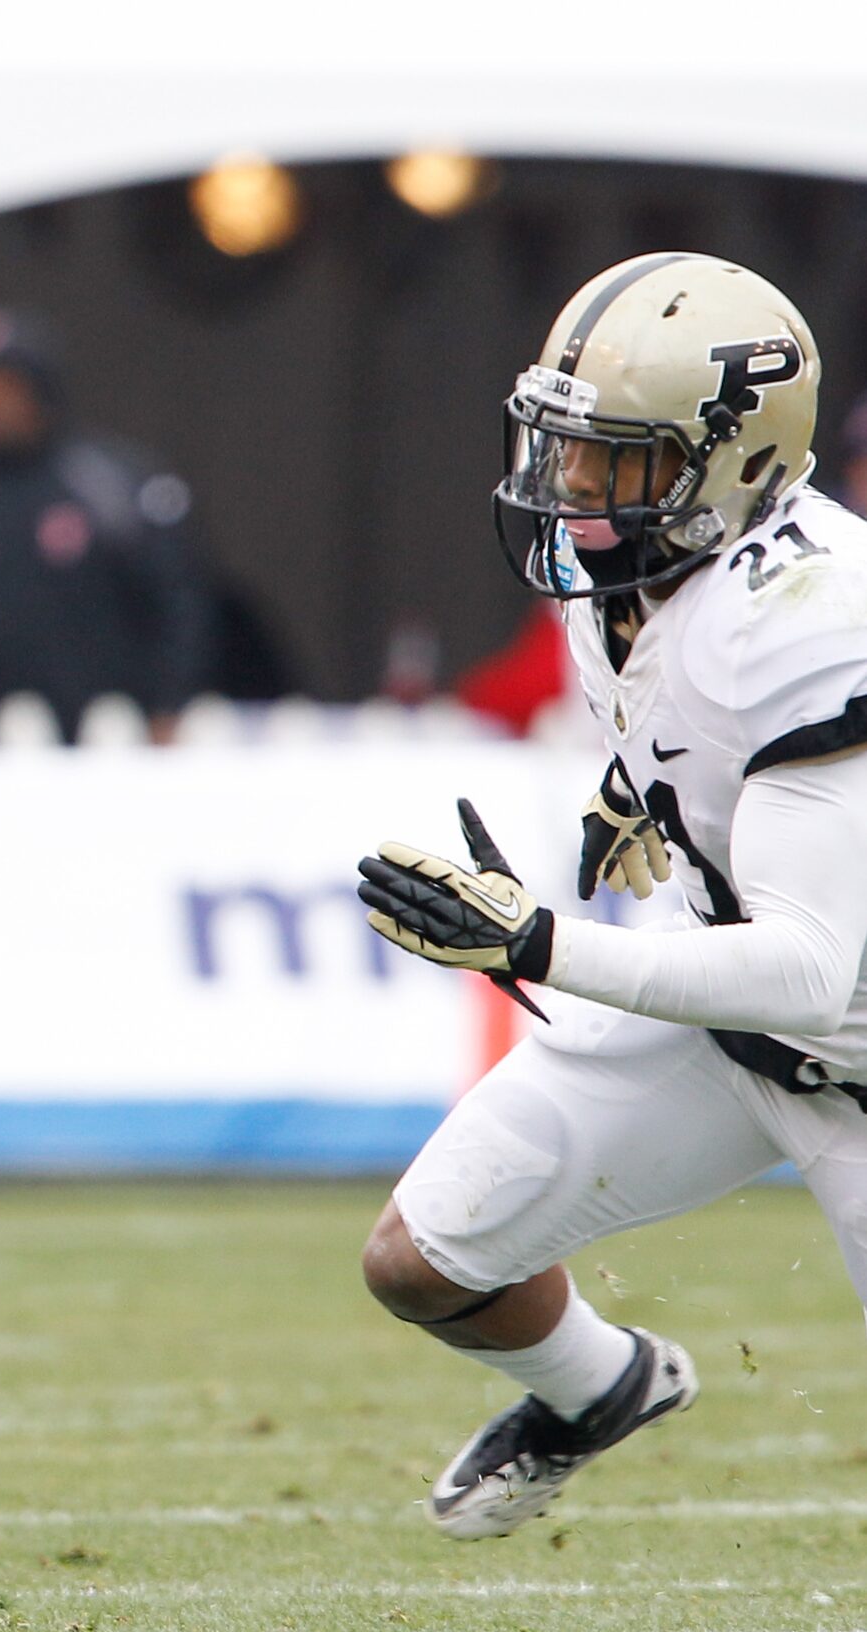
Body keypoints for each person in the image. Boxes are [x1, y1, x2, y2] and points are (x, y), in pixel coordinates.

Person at [355, 252, 867, 1540]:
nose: (571, 485)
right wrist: (647, 803)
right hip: (740, 1034)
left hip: (841, 1043)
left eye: (614, 459)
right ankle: (600, 1388)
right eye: (564, 446)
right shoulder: (634, 577)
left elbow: (811, 966)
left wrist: (539, 941)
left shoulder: (811, 617)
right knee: (422, 1261)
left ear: (738, 460)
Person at [0, 306, 218, 740]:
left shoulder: (110, 484)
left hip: (109, 743)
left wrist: (169, 703)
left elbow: (181, 605)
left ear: (40, 390)